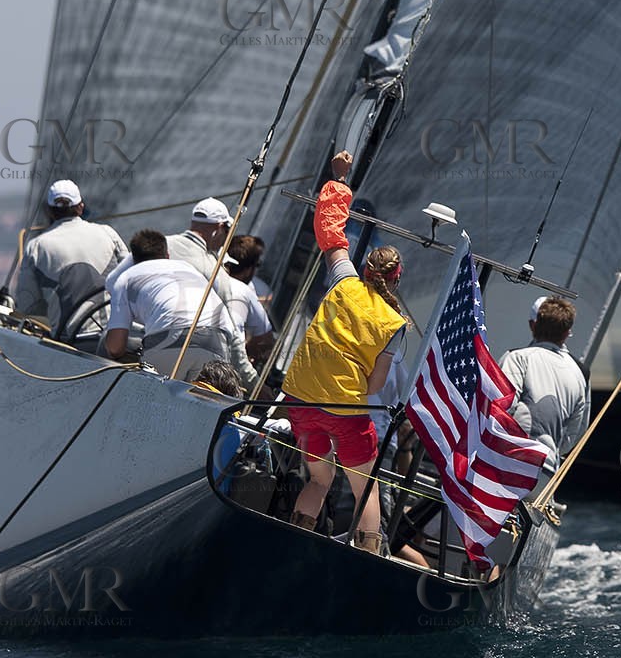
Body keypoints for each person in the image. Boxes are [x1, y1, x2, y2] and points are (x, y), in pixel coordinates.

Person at [281, 152, 409, 554]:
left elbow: (330, 233)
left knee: (318, 481)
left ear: (367, 268)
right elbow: (374, 385)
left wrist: (338, 178)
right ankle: (369, 552)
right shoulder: (394, 324)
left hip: (299, 400)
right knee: (365, 491)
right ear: (396, 277)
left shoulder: (343, 281)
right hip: (345, 415)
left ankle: (293, 539)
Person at [103, 229, 250, 382]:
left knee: (153, 399)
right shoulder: (187, 268)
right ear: (167, 255)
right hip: (219, 338)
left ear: (133, 258)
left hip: (170, 339)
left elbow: (115, 347)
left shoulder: (125, 278)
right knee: (203, 402)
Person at [13, 179, 128, 336]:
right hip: (114, 338)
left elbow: (28, 304)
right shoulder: (108, 233)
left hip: (68, 342)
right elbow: (132, 278)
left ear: (49, 211)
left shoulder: (36, 246)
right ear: (81, 207)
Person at [500, 296, 590, 475]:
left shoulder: (517, 358)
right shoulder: (581, 374)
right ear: (567, 332)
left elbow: (500, 410)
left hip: (508, 466)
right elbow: (574, 435)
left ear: (533, 326)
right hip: (546, 475)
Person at [223, 235, 276, 369]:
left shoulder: (207, 276)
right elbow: (266, 340)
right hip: (227, 363)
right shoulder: (246, 292)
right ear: (248, 269)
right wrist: (246, 354)